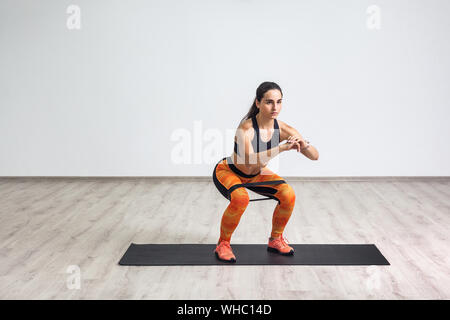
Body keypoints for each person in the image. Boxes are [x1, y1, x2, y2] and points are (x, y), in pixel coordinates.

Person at [212, 81, 319, 262]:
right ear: (258, 103)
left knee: (288, 194)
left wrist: (303, 144)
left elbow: (314, 156)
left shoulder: (285, 130)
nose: (274, 107)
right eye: (269, 102)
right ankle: (223, 244)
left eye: (279, 102)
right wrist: (283, 148)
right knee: (240, 198)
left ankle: (276, 239)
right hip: (229, 171)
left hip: (256, 175)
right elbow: (250, 159)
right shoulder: (245, 129)